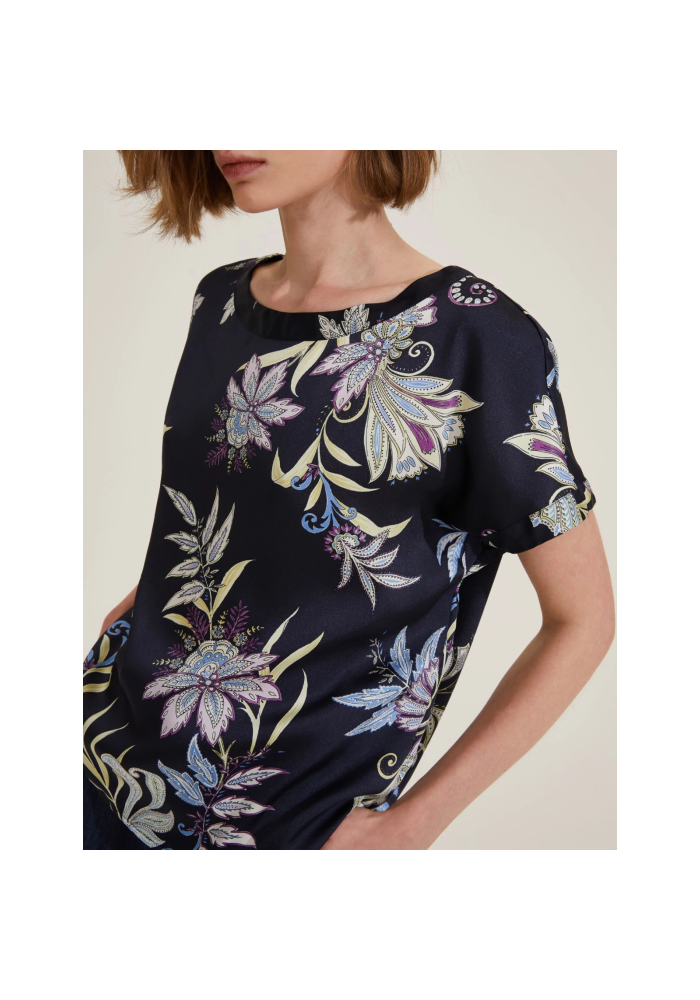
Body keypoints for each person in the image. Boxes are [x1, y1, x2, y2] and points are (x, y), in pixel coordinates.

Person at [83, 150, 614, 850]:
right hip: (101, 758)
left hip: (288, 827)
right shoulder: (219, 302)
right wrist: (135, 613)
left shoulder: (478, 338)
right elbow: (222, 513)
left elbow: (584, 619)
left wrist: (414, 825)